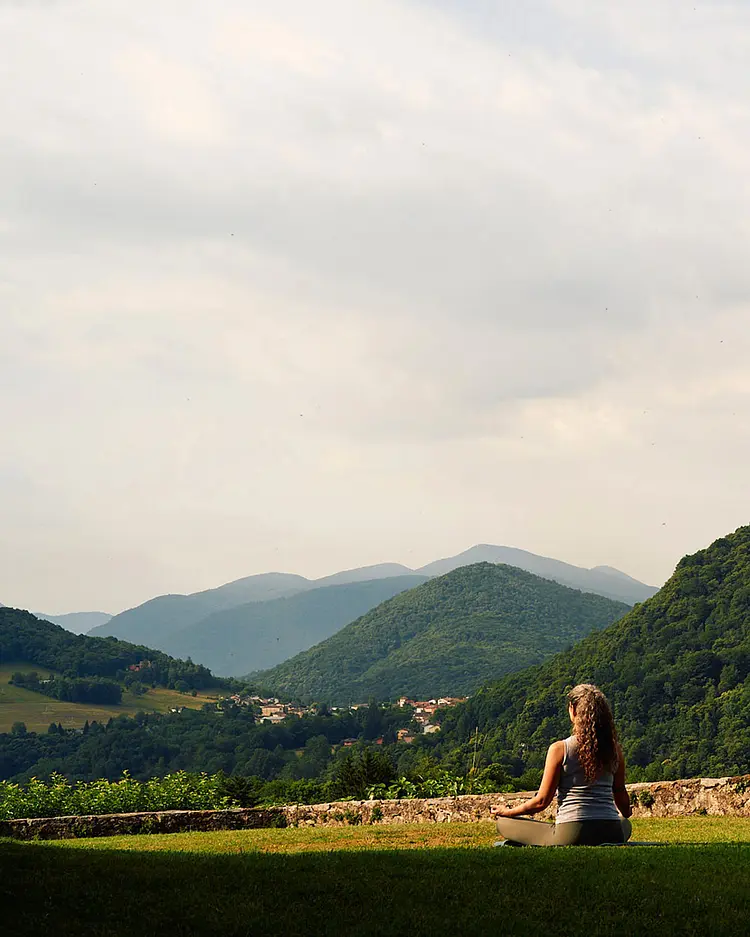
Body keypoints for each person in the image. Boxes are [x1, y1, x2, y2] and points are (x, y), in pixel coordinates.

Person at [494, 683, 632, 846]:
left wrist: (508, 812)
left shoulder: (560, 749)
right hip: (611, 832)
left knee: (503, 823)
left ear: (573, 710)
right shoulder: (615, 750)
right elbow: (620, 794)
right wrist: (626, 812)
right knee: (625, 824)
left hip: (571, 833)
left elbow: (541, 801)